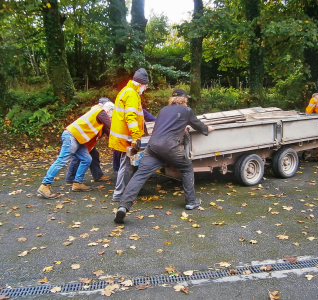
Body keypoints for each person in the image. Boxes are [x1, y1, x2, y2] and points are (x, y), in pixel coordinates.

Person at [114, 88, 214, 224]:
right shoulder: (187, 110)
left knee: (140, 175)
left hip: (153, 146)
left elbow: (166, 127)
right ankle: (191, 201)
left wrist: (182, 129)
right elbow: (198, 125)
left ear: (172, 99)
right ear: (184, 100)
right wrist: (207, 129)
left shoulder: (163, 110)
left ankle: (123, 207)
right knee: (186, 167)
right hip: (170, 147)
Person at [38, 100, 112, 199]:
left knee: (87, 159)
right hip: (72, 136)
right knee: (61, 160)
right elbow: (110, 127)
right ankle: (45, 185)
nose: (110, 118)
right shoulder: (101, 112)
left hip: (77, 138)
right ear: (109, 110)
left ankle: (77, 183)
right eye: (111, 116)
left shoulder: (96, 110)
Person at [109, 68, 149, 202]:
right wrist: (136, 137)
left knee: (128, 165)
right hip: (127, 137)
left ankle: (130, 189)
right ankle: (119, 195)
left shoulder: (125, 91)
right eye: (145, 86)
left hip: (123, 136)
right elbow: (130, 117)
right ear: (140, 84)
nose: (145, 89)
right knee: (126, 166)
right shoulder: (132, 94)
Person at [66, 98, 114, 184]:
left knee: (93, 155)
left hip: (87, 140)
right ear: (102, 104)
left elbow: (107, 130)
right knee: (77, 158)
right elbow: (110, 128)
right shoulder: (100, 112)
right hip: (81, 138)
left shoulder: (98, 111)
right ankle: (70, 179)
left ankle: (98, 175)